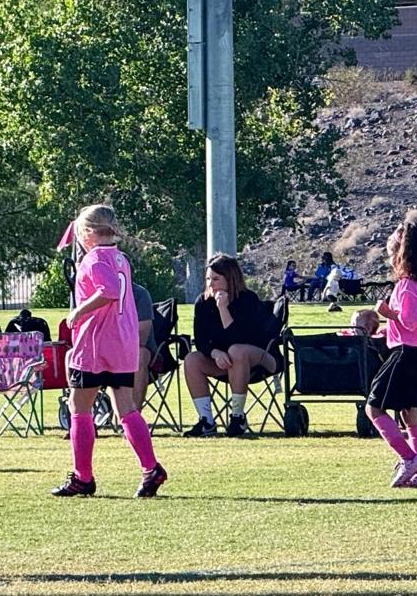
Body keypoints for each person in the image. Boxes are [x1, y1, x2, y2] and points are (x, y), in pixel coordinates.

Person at [52, 205, 167, 498]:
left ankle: (83, 477)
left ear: (89, 232)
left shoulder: (93, 259)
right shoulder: (119, 257)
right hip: (122, 341)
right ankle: (151, 468)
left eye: (80, 232)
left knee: (79, 407)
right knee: (125, 407)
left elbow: (109, 291)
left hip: (96, 342)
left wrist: (78, 311)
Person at [367, 221, 417, 488]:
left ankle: (409, 458)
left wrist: (387, 314)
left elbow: (410, 320)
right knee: (412, 415)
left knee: (374, 407)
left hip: (405, 355)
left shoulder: (407, 286)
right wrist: (388, 329)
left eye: (392, 254)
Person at [183, 254, 273, 438]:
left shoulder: (248, 299)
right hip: (224, 362)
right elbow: (200, 340)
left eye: (216, 279)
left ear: (230, 278)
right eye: (208, 279)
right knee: (192, 359)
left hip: (259, 359)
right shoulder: (203, 302)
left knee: (236, 350)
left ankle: (238, 417)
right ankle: (206, 421)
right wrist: (214, 353)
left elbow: (240, 337)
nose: (211, 284)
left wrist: (223, 308)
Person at [131, 282, 156, 412]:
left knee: (139, 356)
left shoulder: (139, 294)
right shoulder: (86, 292)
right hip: (101, 352)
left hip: (135, 350)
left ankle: (134, 416)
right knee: (72, 355)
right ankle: (81, 417)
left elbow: (142, 337)